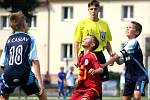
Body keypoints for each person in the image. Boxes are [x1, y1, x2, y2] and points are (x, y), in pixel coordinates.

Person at [90, 21, 149, 100]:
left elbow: (118, 55)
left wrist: (104, 65)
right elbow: (120, 61)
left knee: (137, 95)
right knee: (125, 98)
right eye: (127, 27)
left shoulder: (134, 42)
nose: (127, 29)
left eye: (130, 27)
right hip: (129, 76)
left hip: (140, 75)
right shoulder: (126, 44)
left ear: (137, 32)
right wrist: (114, 58)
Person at [0, 11, 47, 100]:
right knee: (41, 93)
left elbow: (2, 63)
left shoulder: (8, 39)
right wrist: (40, 82)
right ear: (23, 25)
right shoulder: (30, 38)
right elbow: (34, 61)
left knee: (4, 95)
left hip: (8, 73)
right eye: (26, 22)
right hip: (24, 73)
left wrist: (10, 73)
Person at [74, 0, 113, 83]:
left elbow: (107, 43)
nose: (93, 11)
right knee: (82, 78)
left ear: (99, 9)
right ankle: (83, 95)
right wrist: (75, 58)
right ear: (88, 10)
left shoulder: (104, 24)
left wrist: (111, 56)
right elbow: (76, 42)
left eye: (95, 9)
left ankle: (98, 96)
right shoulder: (82, 23)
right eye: (91, 9)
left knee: (100, 79)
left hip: (99, 54)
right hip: (85, 54)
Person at [70, 35, 104, 100]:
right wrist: (78, 80)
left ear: (92, 44)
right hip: (81, 88)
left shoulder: (92, 56)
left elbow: (101, 69)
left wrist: (94, 71)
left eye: (87, 38)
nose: (84, 39)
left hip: (92, 88)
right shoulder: (80, 56)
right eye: (84, 38)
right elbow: (82, 73)